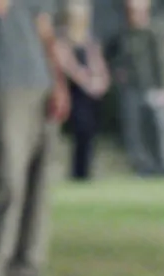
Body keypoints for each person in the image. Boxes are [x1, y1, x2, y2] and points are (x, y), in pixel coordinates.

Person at [0, 0, 72, 276]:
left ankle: (27, 267)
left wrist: (58, 83)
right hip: (6, 84)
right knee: (8, 177)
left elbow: (45, 31)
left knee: (39, 181)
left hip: (40, 82)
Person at [107, 0, 164, 176]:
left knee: (159, 128)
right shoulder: (121, 37)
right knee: (134, 131)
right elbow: (111, 60)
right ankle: (142, 167)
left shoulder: (153, 35)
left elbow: (161, 64)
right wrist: (117, 75)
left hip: (152, 89)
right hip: (130, 90)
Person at [59, 0, 111, 180]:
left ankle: (86, 172)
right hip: (75, 93)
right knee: (80, 131)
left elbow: (98, 64)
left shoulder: (90, 41)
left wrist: (101, 82)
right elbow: (70, 66)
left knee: (90, 133)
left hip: (91, 95)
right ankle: (78, 173)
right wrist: (87, 82)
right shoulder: (64, 41)